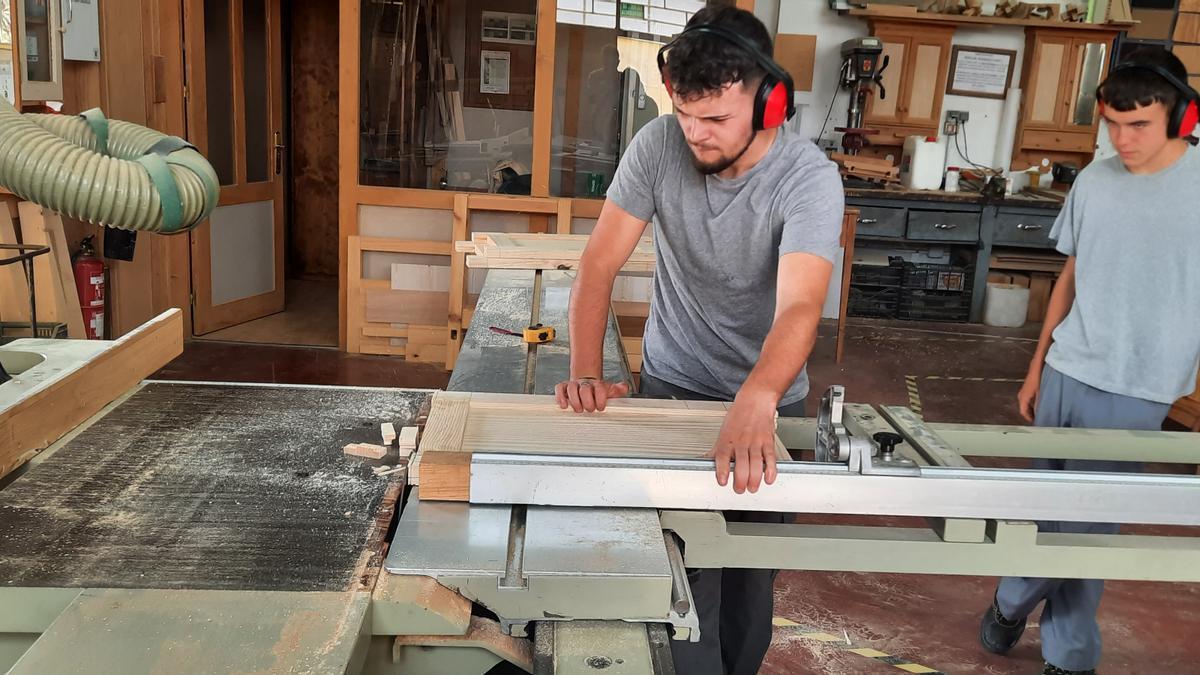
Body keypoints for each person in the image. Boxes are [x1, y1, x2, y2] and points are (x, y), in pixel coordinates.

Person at [553, 6, 844, 674]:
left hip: (767, 405)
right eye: (685, 113)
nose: (696, 135)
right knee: (681, 598)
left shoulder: (808, 180)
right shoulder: (658, 146)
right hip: (674, 390)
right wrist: (583, 367)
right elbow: (599, 263)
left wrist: (757, 396)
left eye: (715, 119)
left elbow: (801, 304)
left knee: (747, 599)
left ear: (769, 103)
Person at [979, 47, 1200, 675]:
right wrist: (1036, 365)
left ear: (1181, 118)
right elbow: (1072, 275)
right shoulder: (1096, 181)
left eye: (1140, 126)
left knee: (1085, 531)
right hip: (1067, 370)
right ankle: (1011, 599)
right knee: (1044, 513)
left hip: (1138, 386)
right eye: (1112, 125)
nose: (1122, 140)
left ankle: (1062, 650)